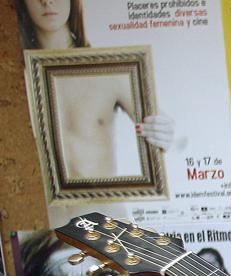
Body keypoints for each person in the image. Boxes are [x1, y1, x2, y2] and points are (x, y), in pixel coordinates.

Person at [19, 0, 174, 180]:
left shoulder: (109, 70)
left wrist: (164, 132)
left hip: (103, 205)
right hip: (42, 206)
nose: (47, 2)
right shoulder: (15, 82)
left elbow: (161, 129)